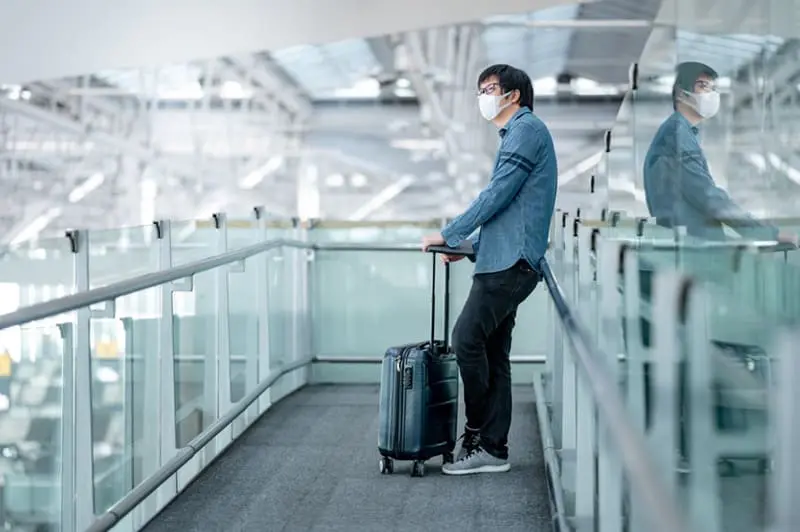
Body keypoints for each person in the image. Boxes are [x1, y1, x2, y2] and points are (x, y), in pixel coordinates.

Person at [421, 64, 558, 475]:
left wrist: (450, 231)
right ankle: (493, 450)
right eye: (480, 90)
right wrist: (466, 247)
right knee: (494, 354)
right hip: (504, 258)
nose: (484, 97)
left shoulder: (526, 130)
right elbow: (511, 213)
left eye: (491, 89)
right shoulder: (518, 133)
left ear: (513, 95)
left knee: (466, 339)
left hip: (510, 265)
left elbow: (496, 195)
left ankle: (477, 431)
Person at [643, 61, 796, 244]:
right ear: (682, 93)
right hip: (693, 249)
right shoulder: (677, 135)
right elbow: (708, 196)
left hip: (688, 243)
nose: (711, 94)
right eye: (703, 86)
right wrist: (767, 233)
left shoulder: (677, 132)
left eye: (713, 88)